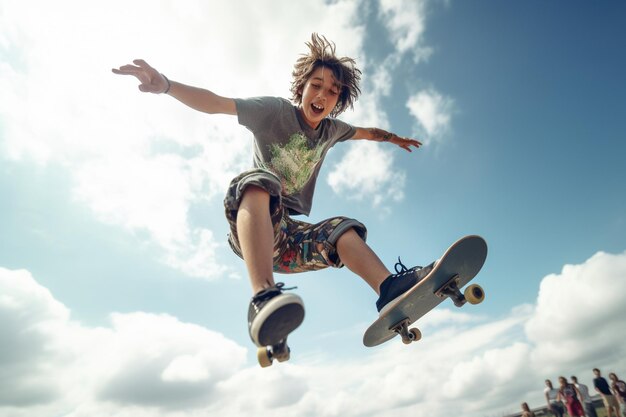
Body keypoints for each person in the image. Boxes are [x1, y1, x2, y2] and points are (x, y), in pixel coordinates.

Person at [113, 34, 423, 352]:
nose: (322, 96)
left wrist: (394, 138)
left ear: (338, 101)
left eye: (332, 91)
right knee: (260, 181)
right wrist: (165, 84)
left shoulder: (332, 130)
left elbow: (367, 132)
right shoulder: (273, 111)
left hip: (290, 243)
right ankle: (263, 297)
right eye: (316, 85)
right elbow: (217, 103)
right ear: (301, 87)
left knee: (342, 229)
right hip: (255, 223)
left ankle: (389, 289)